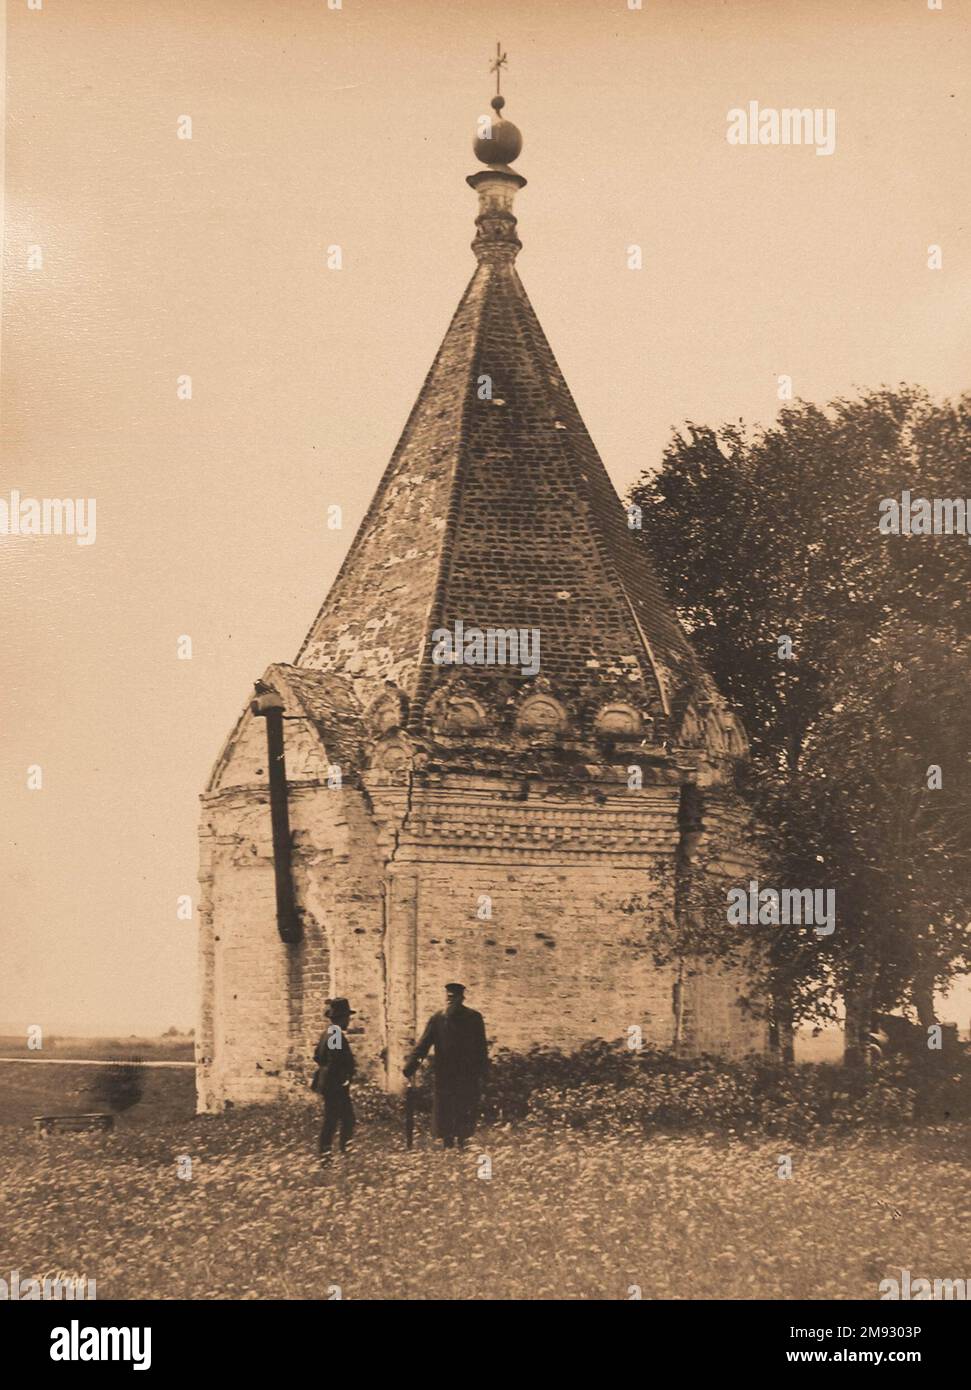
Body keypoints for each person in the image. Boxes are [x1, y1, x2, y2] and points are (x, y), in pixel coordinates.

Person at [403, 983, 488, 1149]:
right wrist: (412, 1066)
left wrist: (483, 1073)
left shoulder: (473, 1018)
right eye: (448, 997)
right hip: (445, 1074)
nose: (450, 1001)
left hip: (467, 1074)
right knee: (445, 1109)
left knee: (465, 1105)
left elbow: (481, 1048)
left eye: (454, 998)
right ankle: (448, 1143)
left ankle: (463, 1141)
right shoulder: (437, 1019)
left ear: (461, 999)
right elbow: (423, 1047)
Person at [313, 998, 356, 1159]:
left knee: (342, 1118)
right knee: (341, 1119)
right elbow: (335, 1060)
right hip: (335, 1084)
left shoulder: (328, 1033)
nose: (349, 1021)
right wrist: (342, 1080)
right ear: (341, 1018)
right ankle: (335, 1154)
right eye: (347, 1017)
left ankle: (331, 1153)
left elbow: (317, 1056)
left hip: (330, 1082)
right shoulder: (336, 1034)